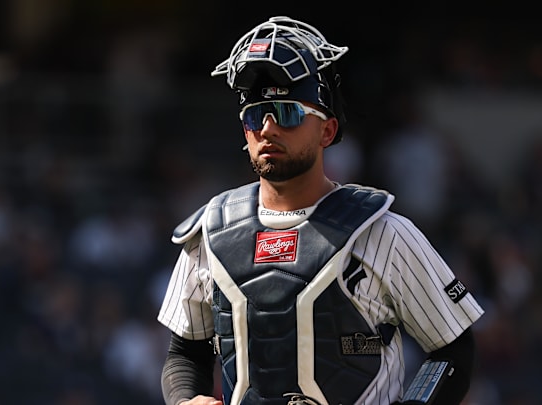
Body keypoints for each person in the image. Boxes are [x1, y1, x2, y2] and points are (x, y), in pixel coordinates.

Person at [157, 16, 484, 405]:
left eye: (287, 112)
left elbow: (453, 348)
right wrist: (185, 400)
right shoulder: (209, 233)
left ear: (327, 131)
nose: (267, 128)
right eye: (254, 115)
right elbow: (184, 353)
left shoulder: (383, 232)